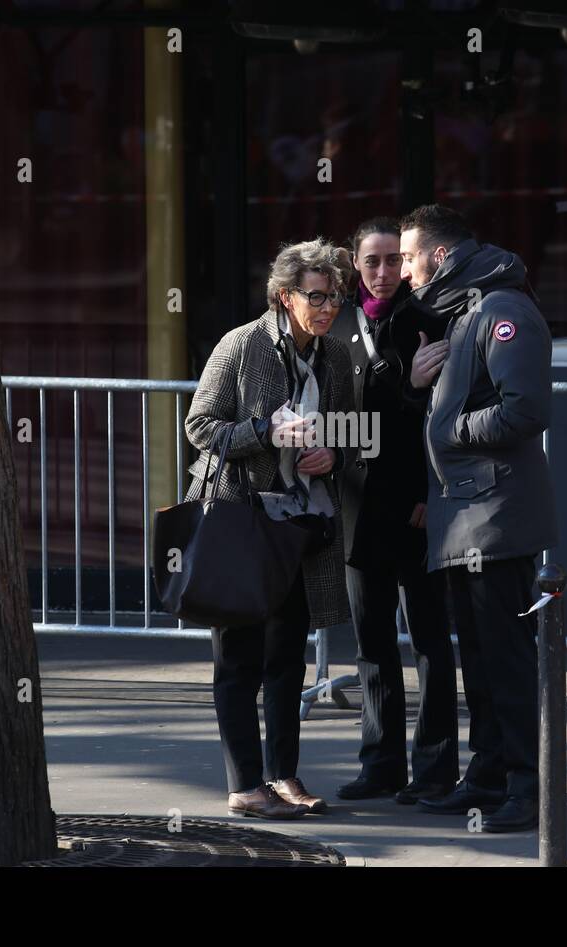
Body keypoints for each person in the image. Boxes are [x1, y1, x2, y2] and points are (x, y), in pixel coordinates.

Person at [183, 238, 355, 820]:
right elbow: (200, 427)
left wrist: (332, 455)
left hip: (300, 528)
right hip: (241, 521)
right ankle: (244, 784)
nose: (328, 306)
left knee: (287, 661)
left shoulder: (333, 357)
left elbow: (351, 436)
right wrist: (265, 432)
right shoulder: (242, 344)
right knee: (239, 661)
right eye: (316, 296)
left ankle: (283, 776)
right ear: (285, 297)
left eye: (334, 296)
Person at [400, 204, 557, 833]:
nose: (405, 272)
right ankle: (491, 774)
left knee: (507, 660)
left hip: (494, 516)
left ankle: (528, 785)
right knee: (485, 659)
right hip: (469, 516)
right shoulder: (468, 310)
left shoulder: (502, 310)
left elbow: (524, 411)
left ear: (439, 256)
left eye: (409, 257)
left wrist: (451, 428)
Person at [329, 217, 458, 804]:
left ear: (406, 265)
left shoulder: (429, 324)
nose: (383, 272)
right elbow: (340, 418)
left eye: (392, 260)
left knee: (430, 641)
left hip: (416, 509)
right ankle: (380, 764)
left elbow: (443, 421)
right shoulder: (335, 330)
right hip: (357, 508)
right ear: (354, 266)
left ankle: (433, 769)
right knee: (372, 642)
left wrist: (432, 495)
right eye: (370, 262)